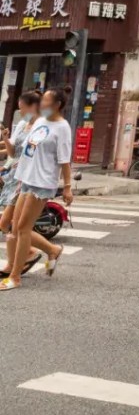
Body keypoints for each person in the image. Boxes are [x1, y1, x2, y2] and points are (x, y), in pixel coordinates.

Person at [1, 87, 73, 290]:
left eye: (46, 101)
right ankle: (52, 251)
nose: (42, 105)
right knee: (16, 228)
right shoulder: (40, 122)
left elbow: (64, 160)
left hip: (42, 183)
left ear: (57, 105)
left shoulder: (62, 127)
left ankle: (15, 277)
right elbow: (25, 151)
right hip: (25, 180)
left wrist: (67, 187)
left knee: (23, 228)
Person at [0, 90, 41, 278]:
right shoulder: (23, 125)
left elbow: (34, 155)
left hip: (24, 179)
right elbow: (12, 153)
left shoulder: (40, 127)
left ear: (33, 106)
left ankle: (24, 257)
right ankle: (31, 253)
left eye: (22, 108)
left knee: (9, 223)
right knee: (11, 224)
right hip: (13, 176)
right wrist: (5, 138)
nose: (20, 111)